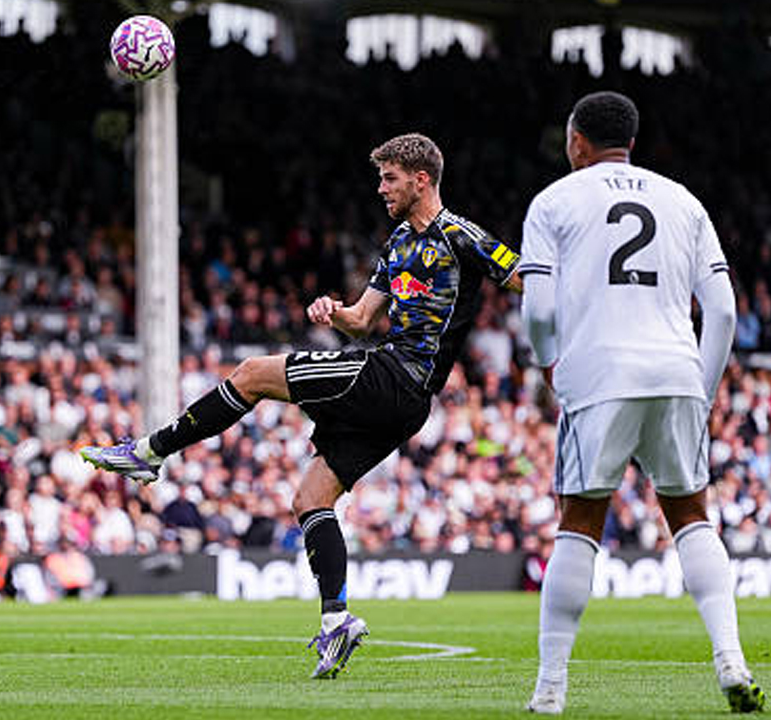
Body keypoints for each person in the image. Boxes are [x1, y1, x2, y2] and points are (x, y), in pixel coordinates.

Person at [81, 133, 522, 679]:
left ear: (421, 179)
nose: (380, 188)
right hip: (401, 396)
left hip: (397, 377)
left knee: (251, 374)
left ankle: (150, 451)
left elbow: (523, 277)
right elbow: (362, 319)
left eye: (389, 178)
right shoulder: (398, 242)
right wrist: (333, 311)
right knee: (310, 499)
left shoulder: (461, 235)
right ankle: (336, 620)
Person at [519, 91, 763, 714]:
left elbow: (540, 310)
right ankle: (731, 660)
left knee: (579, 524)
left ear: (575, 140)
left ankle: (550, 690)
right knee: (692, 517)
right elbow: (727, 310)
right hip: (678, 370)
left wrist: (551, 366)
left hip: (599, 371)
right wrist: (701, 391)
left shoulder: (553, 201)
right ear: (631, 140)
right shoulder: (684, 200)